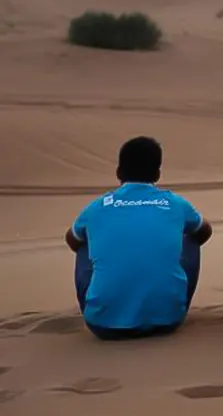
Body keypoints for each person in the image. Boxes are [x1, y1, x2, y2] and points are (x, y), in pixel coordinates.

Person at [66, 136, 212, 340]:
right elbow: (204, 232)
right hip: (168, 320)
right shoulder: (176, 203)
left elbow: (71, 240)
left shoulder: (97, 207)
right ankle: (171, 299)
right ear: (157, 173)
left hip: (103, 325)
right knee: (191, 238)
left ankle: (104, 301)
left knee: (83, 243)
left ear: (118, 172)